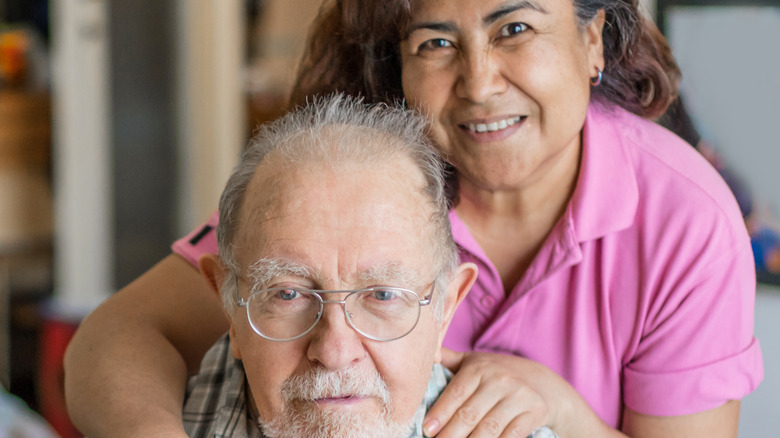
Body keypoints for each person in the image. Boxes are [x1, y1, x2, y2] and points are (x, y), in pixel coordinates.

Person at [64, 0, 763, 437]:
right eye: (434, 43)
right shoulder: (354, 181)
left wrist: (562, 411)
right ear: (396, 66)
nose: (481, 83)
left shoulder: (683, 218)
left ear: (592, 42)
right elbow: (118, 336)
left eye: (515, 28)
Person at [181, 94, 556, 438]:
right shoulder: (145, 417)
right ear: (230, 305)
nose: (334, 352)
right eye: (288, 293)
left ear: (446, 307)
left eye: (383, 294)